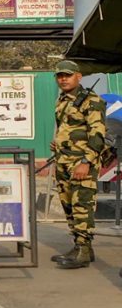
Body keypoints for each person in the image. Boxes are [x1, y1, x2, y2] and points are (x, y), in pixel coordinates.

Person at [49, 60, 106, 269]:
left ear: (78, 77)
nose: (63, 79)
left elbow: (98, 135)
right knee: (69, 205)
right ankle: (81, 247)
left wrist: (85, 162)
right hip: (63, 160)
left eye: (67, 75)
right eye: (60, 76)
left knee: (82, 205)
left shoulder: (92, 101)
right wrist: (59, 144)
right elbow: (69, 129)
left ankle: (83, 250)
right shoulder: (62, 100)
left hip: (82, 163)